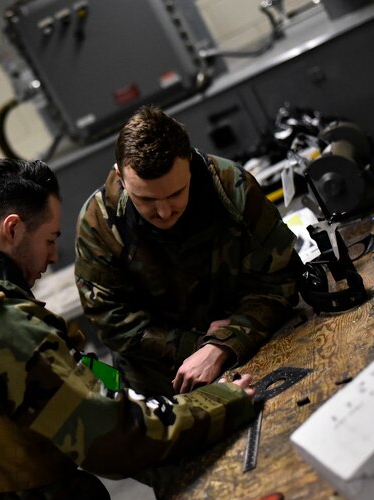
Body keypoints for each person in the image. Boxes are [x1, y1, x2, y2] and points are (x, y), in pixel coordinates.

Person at [0, 158, 256, 500]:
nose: (53, 257)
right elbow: (110, 437)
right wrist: (220, 401)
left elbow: (69, 369)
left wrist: (129, 389)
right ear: (13, 228)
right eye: (50, 239)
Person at [75, 105, 300, 396]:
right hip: (159, 387)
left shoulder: (231, 188)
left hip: (250, 354)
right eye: (146, 199)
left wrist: (222, 344)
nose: (164, 212)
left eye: (175, 193)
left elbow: (279, 282)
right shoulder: (99, 222)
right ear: (120, 177)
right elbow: (112, 322)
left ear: (190, 164)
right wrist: (194, 345)